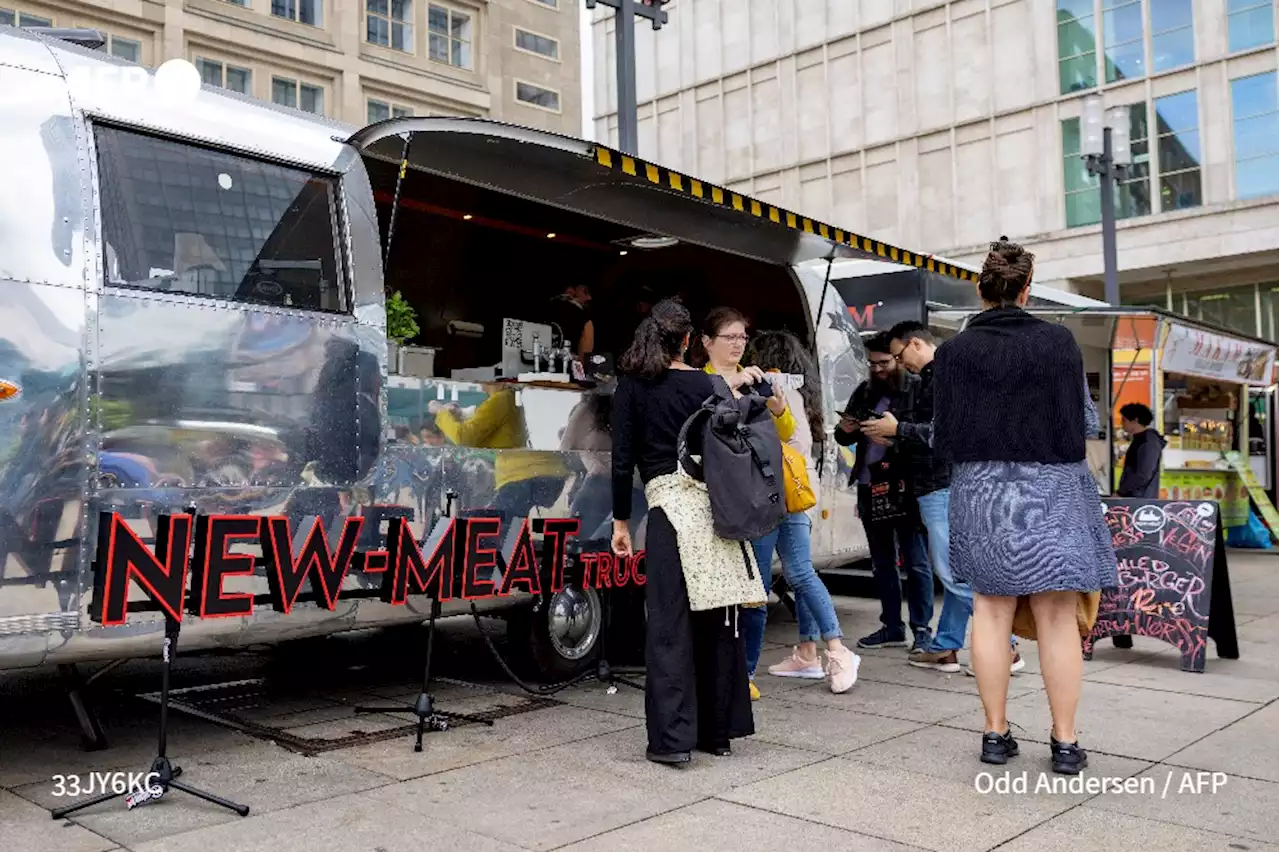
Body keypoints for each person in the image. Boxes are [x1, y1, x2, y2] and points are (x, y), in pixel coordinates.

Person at [933, 238, 1118, 775]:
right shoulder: (1059, 343)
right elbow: (1084, 423)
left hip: (981, 488)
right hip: (1050, 488)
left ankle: (995, 734)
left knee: (989, 611)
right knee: (1058, 616)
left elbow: (945, 432)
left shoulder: (953, 352)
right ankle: (1064, 742)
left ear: (980, 289)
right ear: (1027, 290)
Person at [611, 298, 757, 765]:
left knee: (669, 627)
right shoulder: (708, 385)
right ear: (689, 340)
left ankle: (672, 741)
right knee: (717, 622)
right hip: (713, 513)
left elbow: (621, 462)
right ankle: (717, 733)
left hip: (666, 514)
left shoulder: (632, 388)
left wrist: (619, 522)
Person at [698, 308, 859, 697]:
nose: (738, 344)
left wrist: (779, 407)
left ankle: (823, 654)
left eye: (741, 337)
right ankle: (755, 671)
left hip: (778, 491)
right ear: (706, 342)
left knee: (779, 578)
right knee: (758, 585)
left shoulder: (756, 378)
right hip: (744, 495)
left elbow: (787, 433)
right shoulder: (700, 383)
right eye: (729, 337)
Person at [862, 321, 1025, 676]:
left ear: (916, 344)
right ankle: (946, 646)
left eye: (898, 354)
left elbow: (949, 434)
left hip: (942, 485)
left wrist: (898, 430)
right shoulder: (942, 376)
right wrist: (896, 438)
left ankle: (1006, 646)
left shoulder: (946, 377)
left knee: (954, 574)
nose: (897, 363)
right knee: (957, 571)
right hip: (943, 483)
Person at [745, 329, 861, 694]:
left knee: (770, 581)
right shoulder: (799, 395)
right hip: (797, 495)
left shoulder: (773, 395)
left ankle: (832, 651)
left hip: (775, 496)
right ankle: (812, 652)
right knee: (798, 573)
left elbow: (772, 444)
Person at [835, 333, 934, 654]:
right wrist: (846, 430)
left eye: (884, 362)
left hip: (904, 486)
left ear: (897, 358)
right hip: (868, 486)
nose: (877, 369)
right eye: (872, 363)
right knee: (881, 563)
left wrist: (894, 441)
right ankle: (892, 626)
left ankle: (922, 629)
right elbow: (841, 437)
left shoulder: (917, 388)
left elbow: (926, 438)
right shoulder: (865, 391)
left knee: (916, 562)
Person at [1117, 403, 1166, 499]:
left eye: (1124, 420)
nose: (1122, 423)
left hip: (1140, 498)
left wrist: (1121, 492)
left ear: (1135, 420)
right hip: (1137, 496)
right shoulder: (1141, 439)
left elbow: (1143, 474)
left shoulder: (1148, 442)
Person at [547, 283, 595, 355]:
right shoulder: (559, 304)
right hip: (551, 347)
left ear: (588, 297)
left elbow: (586, 349)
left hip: (568, 354)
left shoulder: (585, 317)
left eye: (584, 291)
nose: (577, 292)